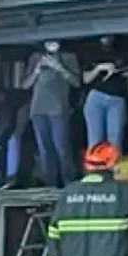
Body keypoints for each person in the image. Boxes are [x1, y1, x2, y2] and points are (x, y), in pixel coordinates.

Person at [22, 40, 81, 187]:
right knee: (44, 150)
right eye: (48, 42)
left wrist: (59, 68)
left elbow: (77, 82)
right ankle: (50, 186)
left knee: (62, 148)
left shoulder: (68, 57)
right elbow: (25, 85)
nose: (51, 44)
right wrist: (36, 70)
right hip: (38, 110)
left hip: (58, 109)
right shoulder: (36, 57)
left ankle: (69, 183)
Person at [83, 36, 128, 154]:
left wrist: (123, 72)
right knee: (95, 138)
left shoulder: (124, 53)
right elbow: (86, 79)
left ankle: (114, 169)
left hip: (117, 98)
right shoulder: (92, 53)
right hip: (97, 97)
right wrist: (99, 68)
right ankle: (97, 168)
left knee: (115, 137)